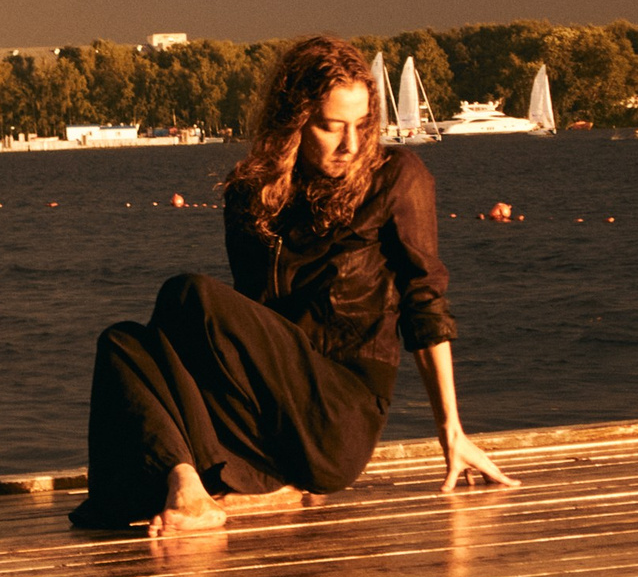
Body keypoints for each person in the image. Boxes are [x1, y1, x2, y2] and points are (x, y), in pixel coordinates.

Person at [79, 33, 515, 539]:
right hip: (270, 414)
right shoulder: (250, 193)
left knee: (187, 294)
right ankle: (188, 485)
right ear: (295, 122)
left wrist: (452, 432)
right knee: (123, 343)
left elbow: (425, 302)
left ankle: (202, 477)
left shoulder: (396, 177)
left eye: (361, 126)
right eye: (332, 127)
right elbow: (247, 329)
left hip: (338, 414)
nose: (351, 144)